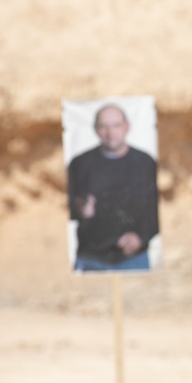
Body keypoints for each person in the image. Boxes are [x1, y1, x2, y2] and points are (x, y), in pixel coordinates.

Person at [67, 104, 159, 271]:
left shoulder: (146, 163)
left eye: (116, 125)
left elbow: (158, 210)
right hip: (90, 260)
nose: (110, 133)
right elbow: (60, 209)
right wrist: (79, 210)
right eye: (104, 126)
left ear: (126, 127)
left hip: (134, 259)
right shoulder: (79, 164)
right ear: (95, 129)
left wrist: (140, 238)